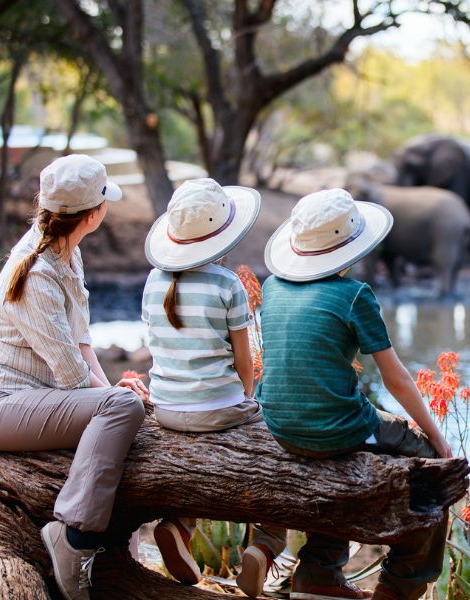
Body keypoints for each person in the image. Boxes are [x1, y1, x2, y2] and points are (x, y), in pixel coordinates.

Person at [0, 154, 149, 600]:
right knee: (124, 407)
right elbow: (69, 374)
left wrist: (109, 393)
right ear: (94, 213)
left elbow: (81, 343)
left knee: (124, 408)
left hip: (32, 400)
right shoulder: (37, 273)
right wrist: (114, 402)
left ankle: (120, 556)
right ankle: (74, 537)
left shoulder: (66, 253)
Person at [260, 188, 453, 600]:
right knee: (434, 468)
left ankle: (320, 573)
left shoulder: (273, 286)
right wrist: (436, 438)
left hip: (277, 424)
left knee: (334, 458)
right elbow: (396, 379)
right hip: (336, 428)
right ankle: (402, 584)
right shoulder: (354, 295)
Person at [141, 178, 287, 597]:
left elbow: (156, 348)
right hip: (221, 408)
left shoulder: (153, 282)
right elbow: (244, 363)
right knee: (278, 456)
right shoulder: (228, 286)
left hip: (167, 407)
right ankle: (266, 544)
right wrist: (246, 400)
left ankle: (179, 525)